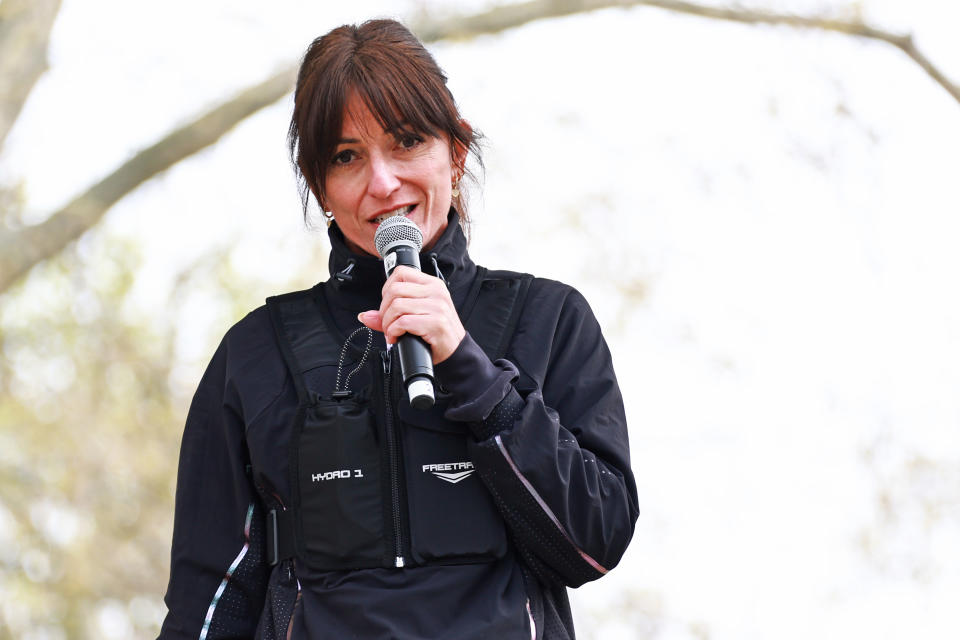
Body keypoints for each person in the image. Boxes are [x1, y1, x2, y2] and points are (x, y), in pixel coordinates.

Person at [159, 18, 638, 640]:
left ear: (455, 152)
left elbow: (595, 543)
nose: (382, 182)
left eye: (407, 141)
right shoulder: (256, 353)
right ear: (321, 187)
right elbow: (206, 601)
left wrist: (472, 370)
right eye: (346, 157)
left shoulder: (549, 320)